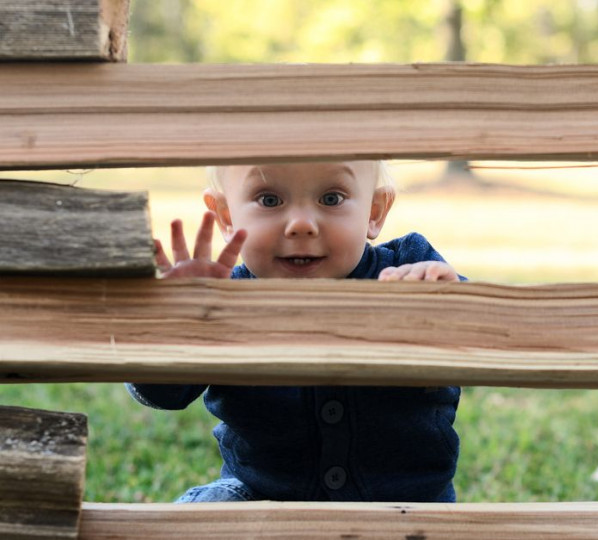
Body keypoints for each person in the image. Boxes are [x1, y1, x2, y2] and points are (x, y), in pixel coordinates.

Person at [126, 161, 464, 503]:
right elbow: (163, 394)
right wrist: (178, 323)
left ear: (374, 212)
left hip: (407, 502)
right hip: (259, 496)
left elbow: (479, 336)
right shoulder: (223, 299)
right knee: (208, 510)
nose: (301, 224)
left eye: (331, 198)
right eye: (269, 200)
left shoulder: (407, 268)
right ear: (226, 216)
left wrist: (445, 298)